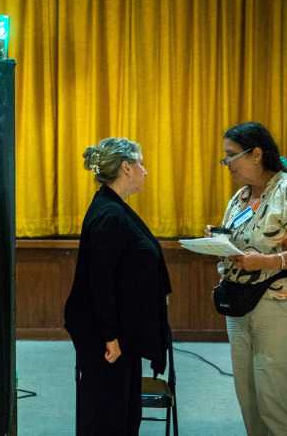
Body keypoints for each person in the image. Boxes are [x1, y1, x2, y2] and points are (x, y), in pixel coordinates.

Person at [205, 122, 287, 435]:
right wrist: (218, 239)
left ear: (257, 154)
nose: (227, 164)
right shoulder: (241, 197)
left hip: (282, 307)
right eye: (225, 157)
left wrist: (270, 261)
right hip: (241, 306)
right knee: (251, 403)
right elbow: (241, 244)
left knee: (278, 405)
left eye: (232, 156)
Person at [64, 137, 172, 435]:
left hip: (121, 333)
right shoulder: (109, 215)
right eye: (140, 163)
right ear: (126, 168)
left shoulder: (114, 207)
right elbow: (100, 282)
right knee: (106, 415)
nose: (145, 171)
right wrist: (110, 335)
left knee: (123, 414)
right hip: (108, 338)